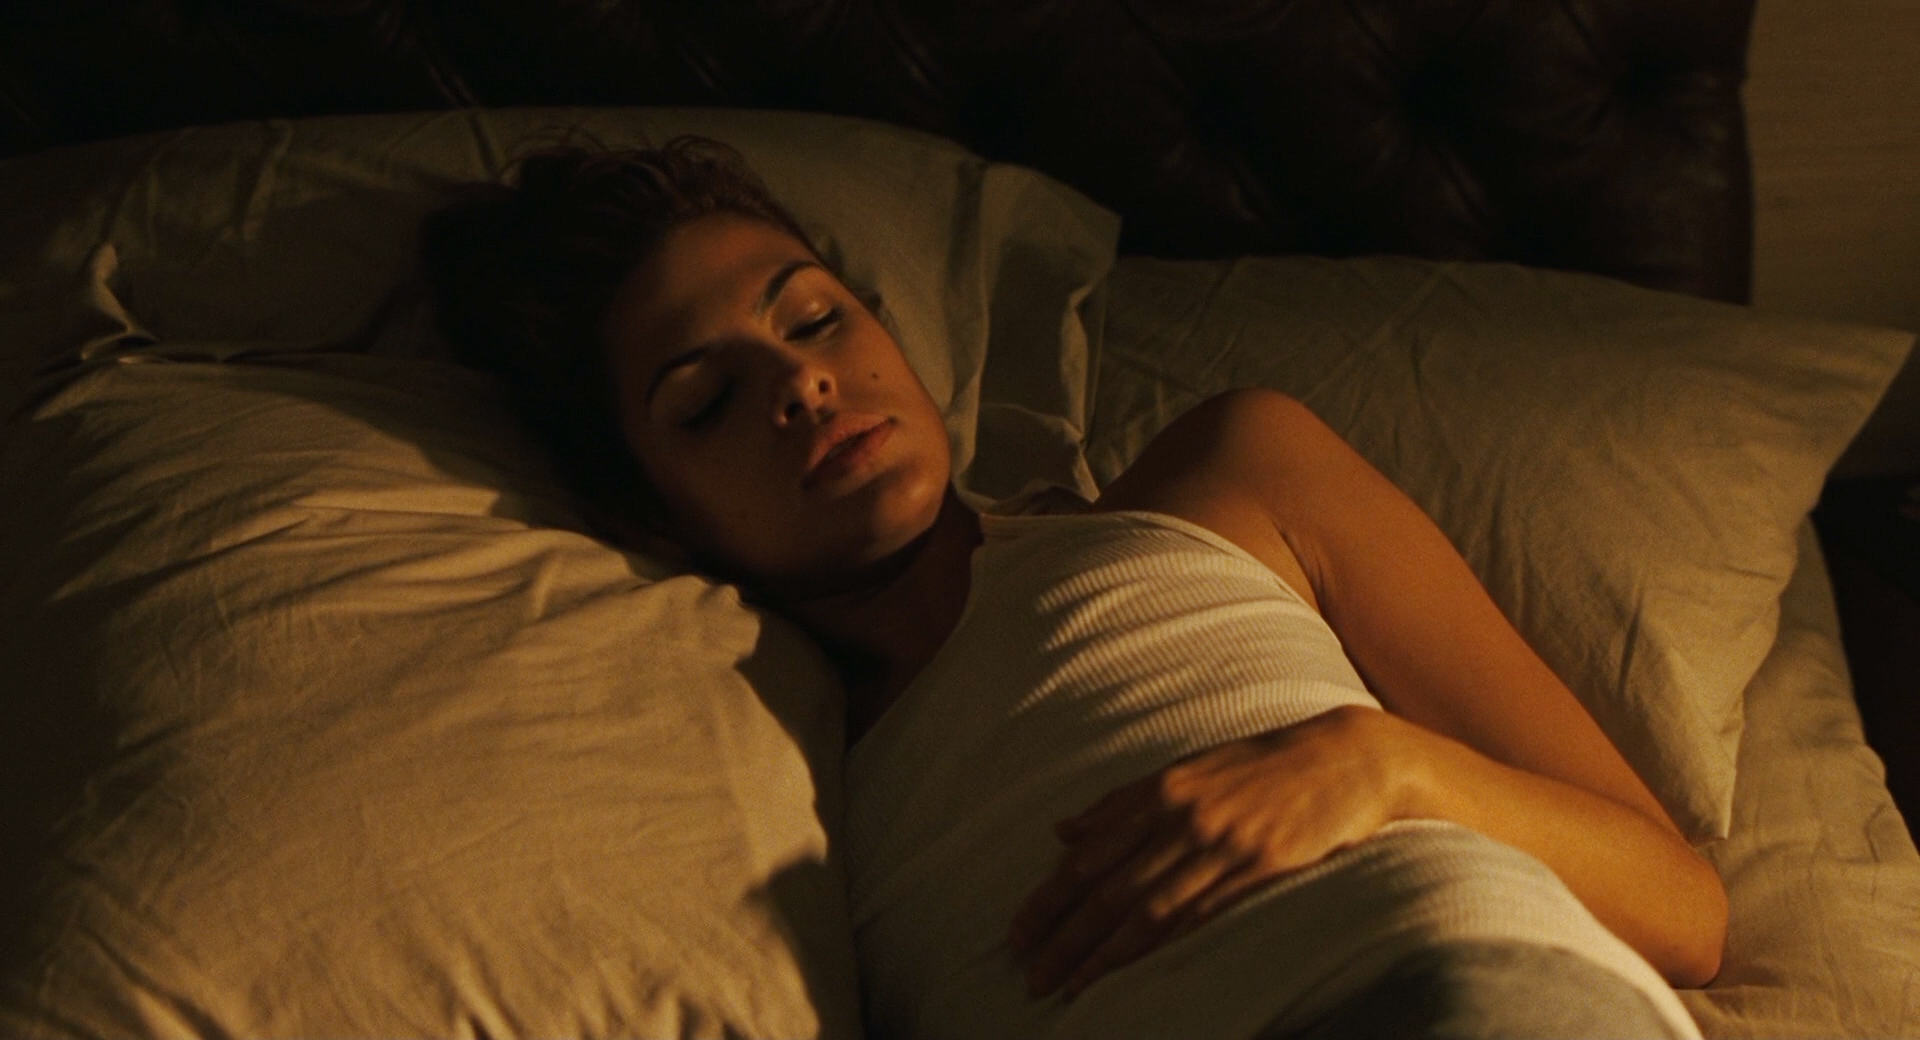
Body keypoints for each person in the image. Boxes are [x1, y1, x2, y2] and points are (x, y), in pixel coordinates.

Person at [421, 136, 1727, 1038]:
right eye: (708, 399)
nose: (802, 383)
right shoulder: (749, 770)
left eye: (815, 320)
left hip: (1473, 994)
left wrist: (1377, 766)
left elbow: (1685, 910)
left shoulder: (1234, 476)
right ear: (648, 510)